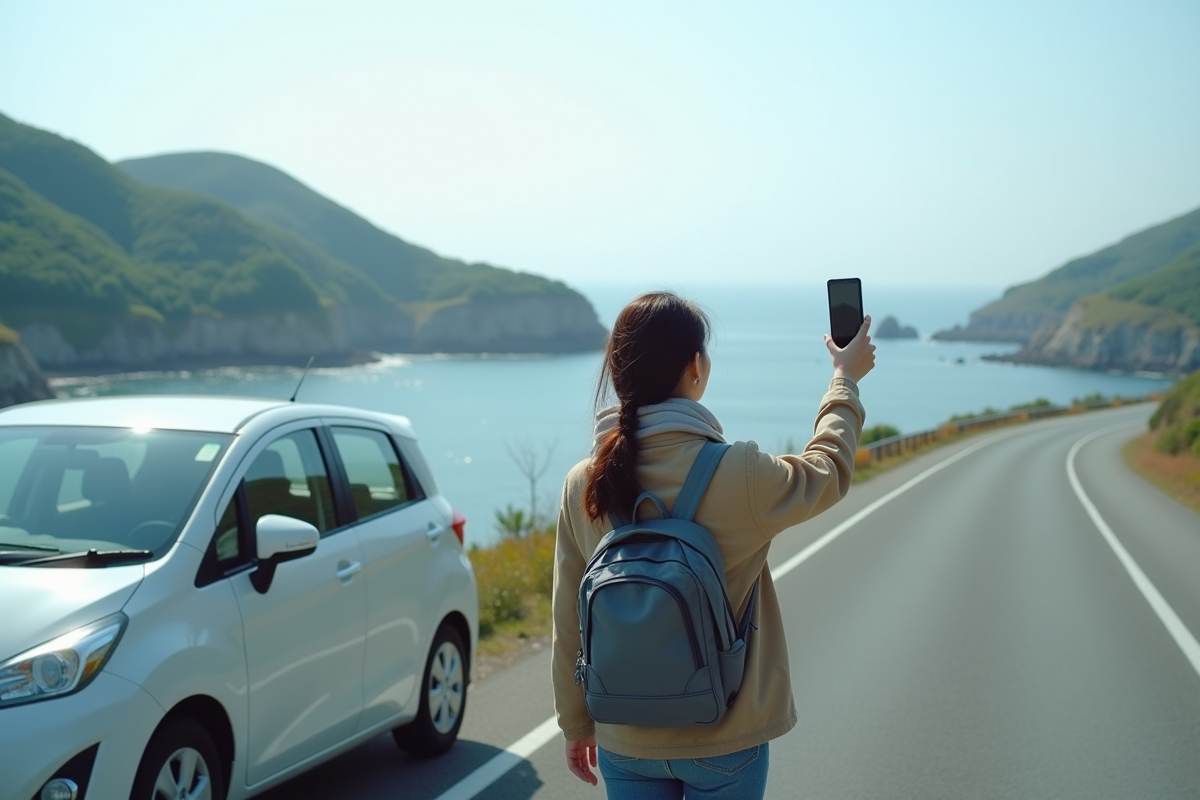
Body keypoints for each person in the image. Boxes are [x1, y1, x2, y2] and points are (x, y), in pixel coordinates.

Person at [551, 291, 875, 799]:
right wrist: (845, 379)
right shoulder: (739, 473)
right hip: (724, 732)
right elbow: (829, 469)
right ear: (695, 368)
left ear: (617, 374)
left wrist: (575, 724)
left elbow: (569, 620)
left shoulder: (583, 483)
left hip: (625, 737)